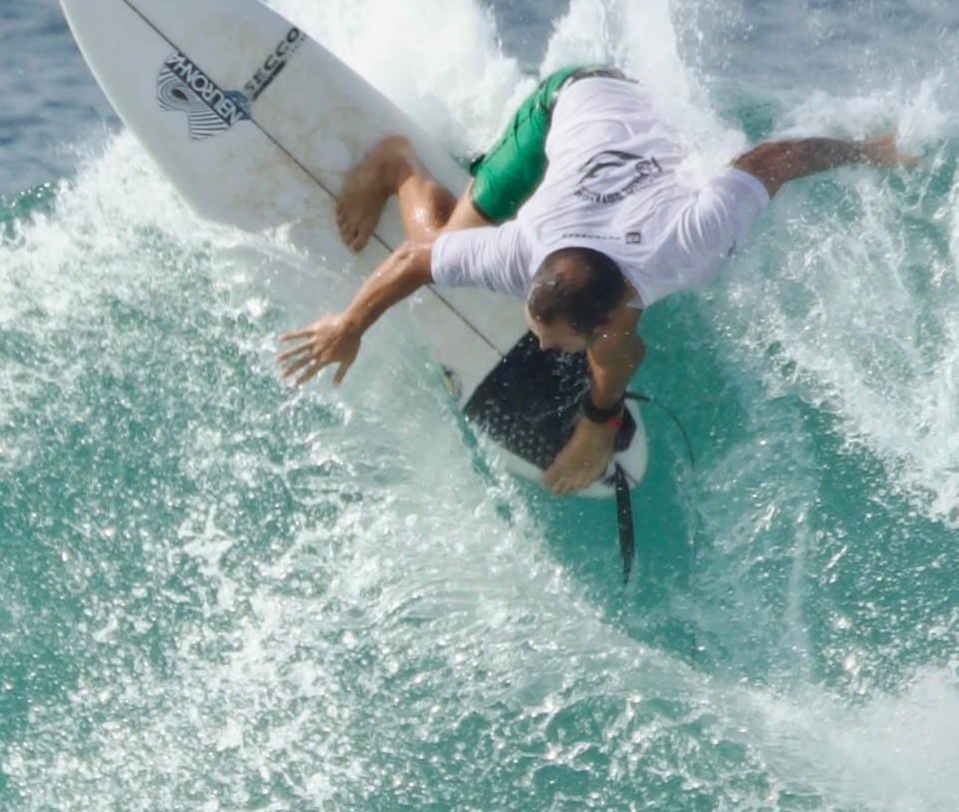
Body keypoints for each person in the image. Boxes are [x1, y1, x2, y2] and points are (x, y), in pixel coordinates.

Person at [276, 66, 916, 493]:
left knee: (613, 353)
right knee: (441, 241)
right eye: (540, 332)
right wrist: (349, 323)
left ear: (607, 316)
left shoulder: (691, 242)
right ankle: (399, 161)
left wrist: (869, 151)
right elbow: (417, 262)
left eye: (555, 342)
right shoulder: (524, 251)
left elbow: (774, 159)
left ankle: (595, 417)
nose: (544, 347)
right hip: (567, 106)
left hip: (624, 110)